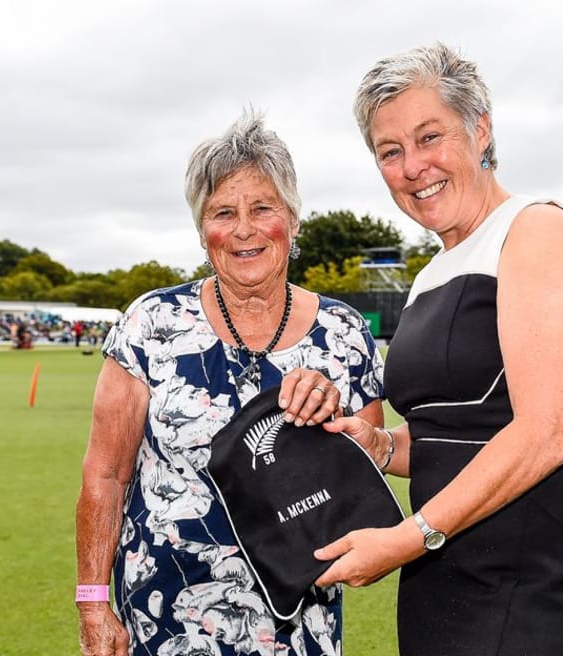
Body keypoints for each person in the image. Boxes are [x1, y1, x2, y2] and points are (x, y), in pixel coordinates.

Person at [316, 43, 563, 655]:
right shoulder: (433, 272)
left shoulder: (536, 229)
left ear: (480, 130)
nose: (413, 167)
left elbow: (547, 433)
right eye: (390, 151)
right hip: (446, 572)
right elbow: (449, 433)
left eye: (430, 137)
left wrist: (408, 537)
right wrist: (378, 445)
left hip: (538, 574)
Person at [75, 111, 386, 656]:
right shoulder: (151, 323)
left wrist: (335, 426)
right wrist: (93, 603)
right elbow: (105, 474)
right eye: (223, 212)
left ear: (292, 219)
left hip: (296, 628)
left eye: (262, 208)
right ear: (202, 230)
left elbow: (367, 484)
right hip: (163, 620)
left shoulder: (343, 333)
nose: (243, 228)